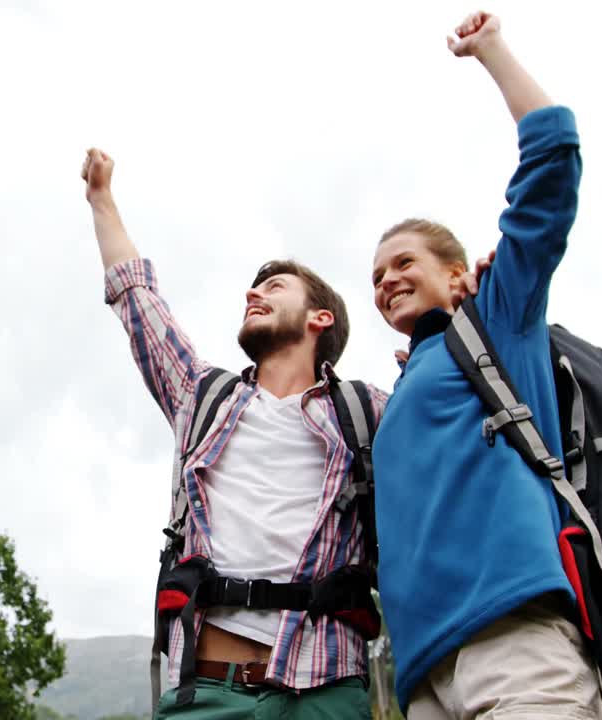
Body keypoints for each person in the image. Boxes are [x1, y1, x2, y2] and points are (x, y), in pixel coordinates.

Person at [82, 146, 391, 718]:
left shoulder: (367, 411)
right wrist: (101, 199)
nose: (255, 293)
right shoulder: (202, 396)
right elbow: (137, 300)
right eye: (255, 288)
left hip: (325, 691)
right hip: (207, 690)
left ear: (319, 318)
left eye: (275, 287)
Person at [369, 12, 602, 720]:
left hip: (516, 641)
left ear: (453, 271)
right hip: (423, 679)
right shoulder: (399, 388)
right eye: (376, 274)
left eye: (404, 262)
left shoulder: (498, 319)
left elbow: (553, 157)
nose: (385, 281)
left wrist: (492, 52)